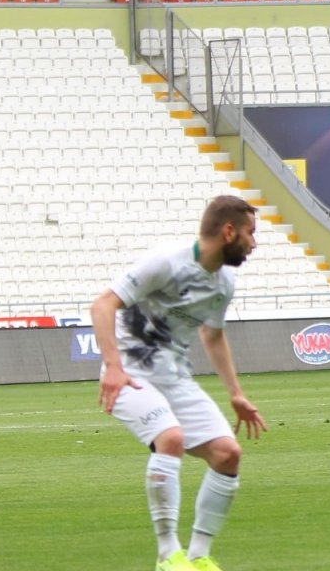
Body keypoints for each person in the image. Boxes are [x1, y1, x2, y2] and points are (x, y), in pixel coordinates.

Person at [92, 195, 269, 571]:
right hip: (129, 372)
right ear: (228, 231)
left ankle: (198, 556)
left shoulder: (224, 283)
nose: (254, 243)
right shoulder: (166, 262)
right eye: (250, 233)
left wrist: (236, 393)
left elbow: (213, 336)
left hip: (174, 377)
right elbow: (103, 305)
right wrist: (111, 367)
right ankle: (167, 555)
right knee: (169, 438)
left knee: (228, 454)